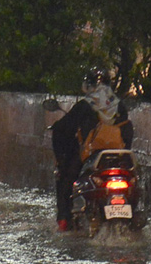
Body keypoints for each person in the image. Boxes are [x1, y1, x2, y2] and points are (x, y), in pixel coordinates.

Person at [49, 67, 134, 230]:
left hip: (90, 158)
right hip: (118, 158)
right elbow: (127, 134)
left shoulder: (84, 106)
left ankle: (64, 221)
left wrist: (61, 159)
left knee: (65, 179)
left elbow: (62, 130)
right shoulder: (120, 106)